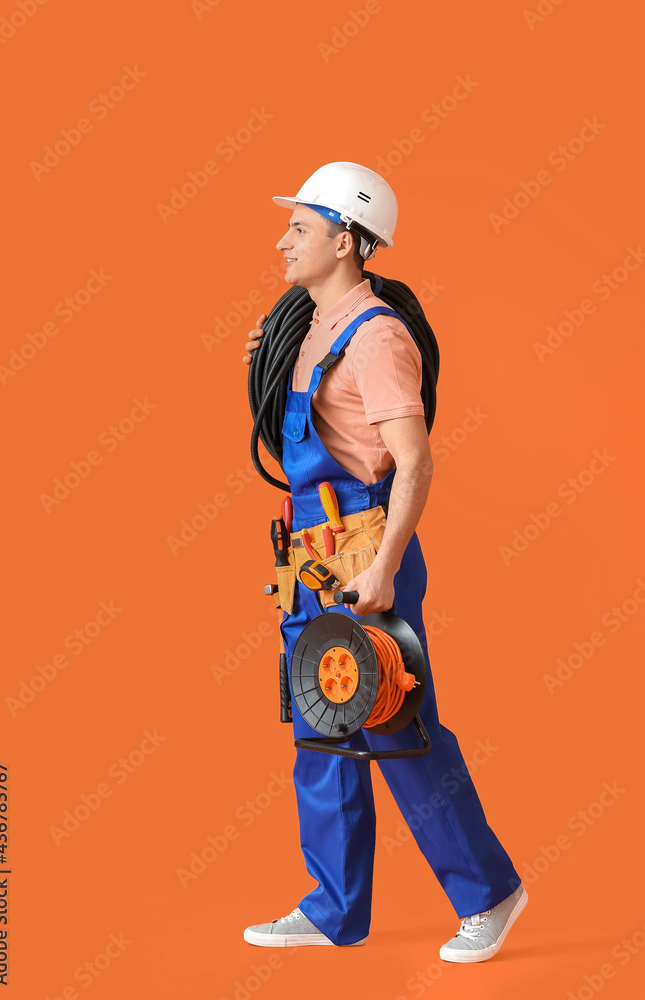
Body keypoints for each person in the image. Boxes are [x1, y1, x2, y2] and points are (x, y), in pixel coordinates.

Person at [241, 162, 527, 962]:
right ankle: (334, 907)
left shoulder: (377, 340)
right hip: (310, 553)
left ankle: (491, 893)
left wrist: (386, 567)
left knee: (396, 727)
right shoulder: (307, 331)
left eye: (298, 228)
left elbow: (415, 460)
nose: (282, 241)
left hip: (364, 547)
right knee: (323, 731)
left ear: (344, 239)